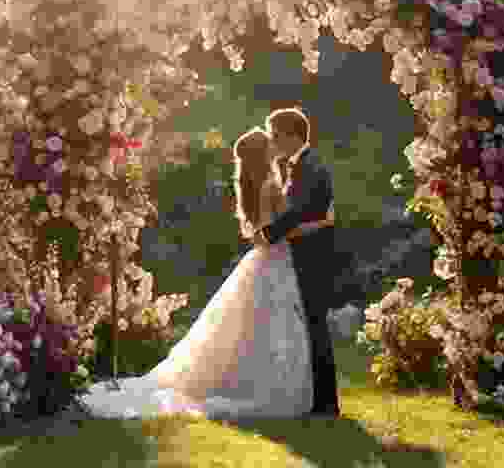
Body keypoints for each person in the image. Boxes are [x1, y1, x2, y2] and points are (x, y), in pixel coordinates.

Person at [76, 123, 335, 421]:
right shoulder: (272, 187)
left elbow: (258, 233)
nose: (276, 146)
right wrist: (322, 223)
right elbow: (280, 231)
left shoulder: (253, 187)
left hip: (262, 259)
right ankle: (270, 388)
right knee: (275, 323)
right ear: (264, 154)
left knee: (251, 326)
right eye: (270, 144)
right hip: (276, 259)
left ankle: (240, 380)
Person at [255, 107, 340, 418]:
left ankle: (326, 404)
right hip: (305, 253)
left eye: (275, 135)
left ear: (292, 135)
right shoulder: (299, 165)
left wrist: (269, 233)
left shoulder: (311, 165)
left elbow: (302, 209)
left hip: (313, 257)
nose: (273, 141)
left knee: (315, 326)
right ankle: (318, 400)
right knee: (311, 325)